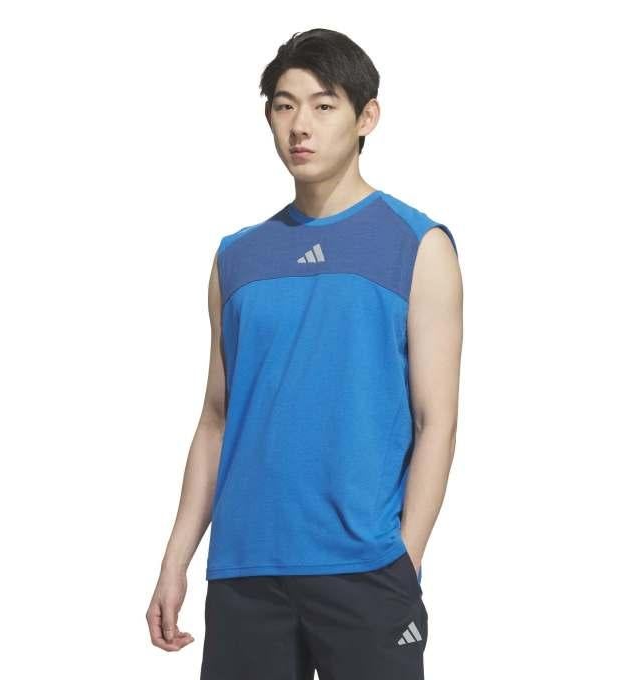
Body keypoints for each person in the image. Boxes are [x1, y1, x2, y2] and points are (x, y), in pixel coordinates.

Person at [146, 27, 463, 680]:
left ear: (366, 117)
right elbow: (216, 419)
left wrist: (405, 558)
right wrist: (176, 560)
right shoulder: (237, 257)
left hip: (365, 570)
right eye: (284, 106)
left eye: (323, 105)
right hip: (246, 571)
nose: (300, 126)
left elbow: (436, 420)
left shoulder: (417, 245)